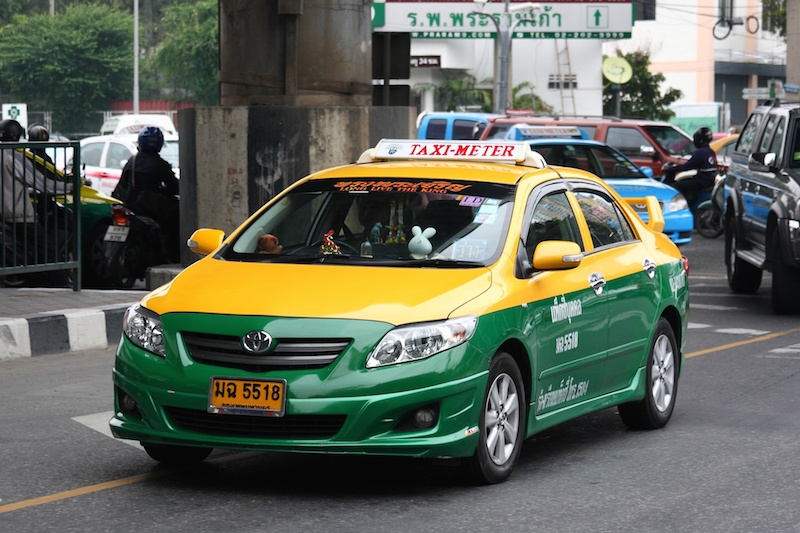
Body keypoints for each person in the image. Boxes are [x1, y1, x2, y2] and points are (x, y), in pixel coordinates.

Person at [0, 119, 71, 286]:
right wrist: (69, 187)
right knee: (47, 248)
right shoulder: (16, 157)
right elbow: (42, 183)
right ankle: (60, 283)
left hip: (3, 215)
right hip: (19, 216)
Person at [114, 126, 180, 259]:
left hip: (129, 207)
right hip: (150, 210)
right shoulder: (161, 165)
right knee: (175, 223)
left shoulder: (131, 161)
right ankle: (170, 256)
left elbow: (121, 185)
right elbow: (175, 186)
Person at [663, 126, 718, 206]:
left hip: (701, 182)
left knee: (676, 186)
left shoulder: (700, 152)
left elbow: (687, 166)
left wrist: (671, 169)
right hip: (707, 180)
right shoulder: (710, 151)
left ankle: (685, 204)